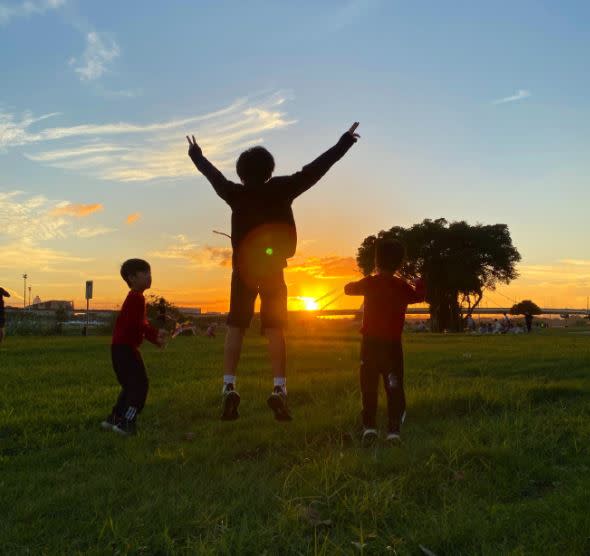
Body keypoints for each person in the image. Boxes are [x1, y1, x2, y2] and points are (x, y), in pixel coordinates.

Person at [187, 122, 360, 421]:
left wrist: (196, 155)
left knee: (236, 326)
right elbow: (315, 170)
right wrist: (344, 142)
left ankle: (229, 386)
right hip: (272, 270)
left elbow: (213, 176)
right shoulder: (282, 188)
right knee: (275, 329)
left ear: (242, 172)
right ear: (269, 170)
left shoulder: (235, 193)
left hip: (243, 271)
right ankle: (279, 389)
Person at [344, 239, 425, 446]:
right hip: (392, 346)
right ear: (399, 264)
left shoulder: (370, 283)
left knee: (368, 386)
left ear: (376, 260)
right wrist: (419, 281)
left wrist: (368, 276)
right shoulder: (401, 286)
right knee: (394, 386)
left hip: (370, 345)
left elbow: (348, 289)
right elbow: (419, 295)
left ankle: (369, 427)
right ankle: (393, 431)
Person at [101, 259, 166, 436]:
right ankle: (127, 422)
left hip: (119, 348)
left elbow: (139, 324)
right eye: (144, 273)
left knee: (130, 386)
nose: (149, 277)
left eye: (150, 273)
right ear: (132, 277)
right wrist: (154, 335)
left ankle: (114, 418)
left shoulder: (135, 298)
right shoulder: (136, 299)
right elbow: (139, 324)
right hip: (127, 349)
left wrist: (154, 337)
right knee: (140, 386)